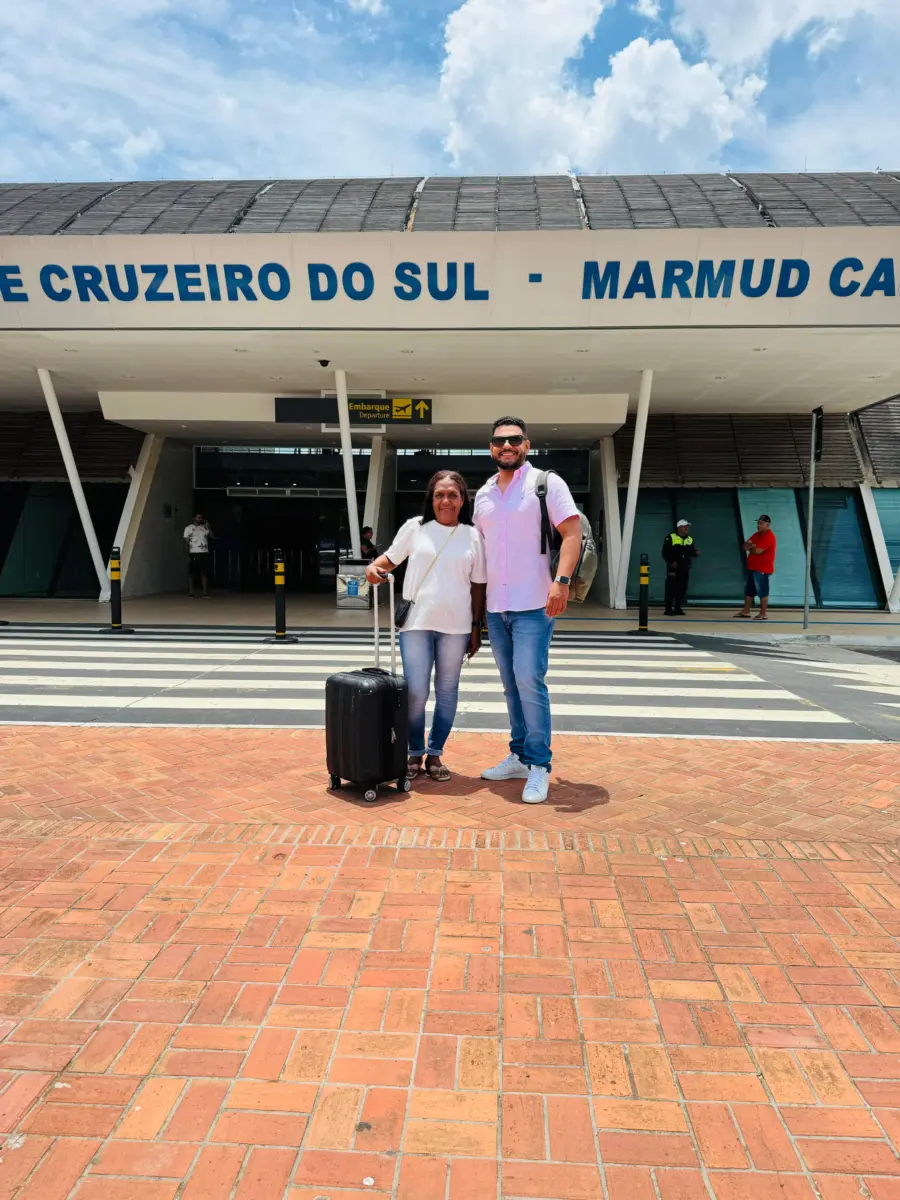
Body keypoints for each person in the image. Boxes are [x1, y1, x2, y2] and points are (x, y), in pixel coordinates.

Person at [473, 417, 583, 805]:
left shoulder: (546, 483)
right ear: (491, 447)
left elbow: (572, 533)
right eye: (500, 441)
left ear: (526, 445)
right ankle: (519, 755)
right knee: (510, 684)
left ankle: (539, 764)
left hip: (535, 604)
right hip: (496, 606)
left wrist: (561, 581)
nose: (507, 446)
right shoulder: (483, 494)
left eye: (514, 440)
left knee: (529, 681)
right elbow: (479, 551)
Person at [366, 471, 486, 782]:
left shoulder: (473, 536)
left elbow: (478, 586)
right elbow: (389, 560)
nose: (446, 501)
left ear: (463, 500)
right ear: (431, 499)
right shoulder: (415, 528)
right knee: (416, 692)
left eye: (453, 495)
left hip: (456, 627)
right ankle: (415, 750)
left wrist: (476, 627)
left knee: (447, 691)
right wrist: (372, 567)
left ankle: (435, 753)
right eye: (439, 495)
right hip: (416, 624)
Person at [736, 514, 777, 621]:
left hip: (762, 569)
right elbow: (745, 546)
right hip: (752, 567)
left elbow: (758, 551)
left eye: (761, 523)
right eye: (758, 523)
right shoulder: (757, 535)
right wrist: (753, 546)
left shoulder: (769, 536)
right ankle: (746, 611)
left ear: (767, 524)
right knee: (749, 591)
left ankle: (763, 614)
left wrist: (752, 546)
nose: (758, 525)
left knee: (762, 591)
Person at [662, 518, 699, 616]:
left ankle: (678, 607)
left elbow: (691, 552)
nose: (686, 528)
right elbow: (665, 552)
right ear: (679, 528)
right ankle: (668, 608)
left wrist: (695, 553)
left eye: (687, 527)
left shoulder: (689, 539)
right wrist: (671, 562)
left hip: (684, 567)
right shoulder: (671, 537)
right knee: (671, 587)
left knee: (682, 587)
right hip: (674, 567)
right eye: (684, 527)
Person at [183, 513, 213, 598]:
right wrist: (188, 551)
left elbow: (212, 536)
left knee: (204, 572)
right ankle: (191, 592)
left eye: (201, 517)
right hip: (194, 552)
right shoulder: (189, 528)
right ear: (194, 518)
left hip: (204, 552)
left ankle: (205, 592)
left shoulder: (204, 528)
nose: (199, 519)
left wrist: (208, 526)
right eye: (198, 517)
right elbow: (186, 540)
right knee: (192, 572)